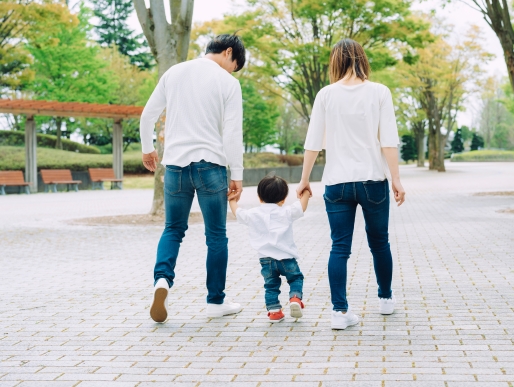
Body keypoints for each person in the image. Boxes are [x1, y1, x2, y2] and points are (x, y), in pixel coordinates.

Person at [296, 38, 406, 330]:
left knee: (339, 247)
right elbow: (389, 141)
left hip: (337, 183)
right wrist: (396, 179)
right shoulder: (380, 92)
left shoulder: (326, 95)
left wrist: (304, 179)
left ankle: (339, 312)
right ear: (362, 59)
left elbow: (313, 143)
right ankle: (385, 300)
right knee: (379, 242)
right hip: (373, 181)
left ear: (336, 61)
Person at [140, 34, 246, 323]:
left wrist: (148, 149)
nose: (231, 72)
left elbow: (147, 116)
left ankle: (161, 281)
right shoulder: (228, 84)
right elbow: (232, 133)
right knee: (216, 235)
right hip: (210, 166)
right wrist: (236, 174)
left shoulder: (174, 72)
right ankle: (215, 301)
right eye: (233, 65)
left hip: (174, 166)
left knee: (173, 229)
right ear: (228, 53)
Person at [228, 176, 310, 322]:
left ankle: (274, 312)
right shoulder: (286, 211)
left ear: (260, 197)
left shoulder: (253, 213)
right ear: (283, 199)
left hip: (266, 260)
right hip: (287, 258)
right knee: (296, 278)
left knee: (271, 286)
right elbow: (301, 206)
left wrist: (232, 200)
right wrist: (305, 192)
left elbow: (238, 213)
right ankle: (295, 299)